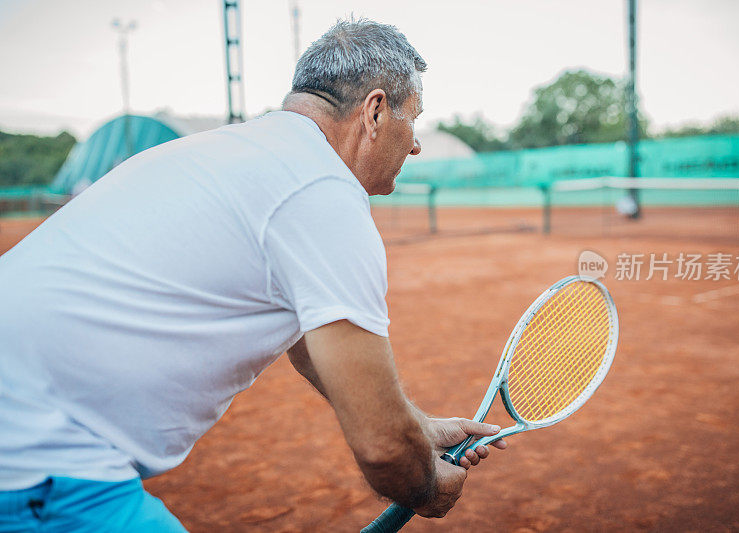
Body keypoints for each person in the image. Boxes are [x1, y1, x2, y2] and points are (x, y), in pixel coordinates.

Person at [0, 19, 505, 531]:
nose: (415, 144)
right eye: (412, 120)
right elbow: (382, 449)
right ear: (375, 112)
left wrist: (416, 428)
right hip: (36, 457)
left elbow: (311, 337)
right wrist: (425, 486)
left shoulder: (234, 151)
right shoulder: (322, 194)